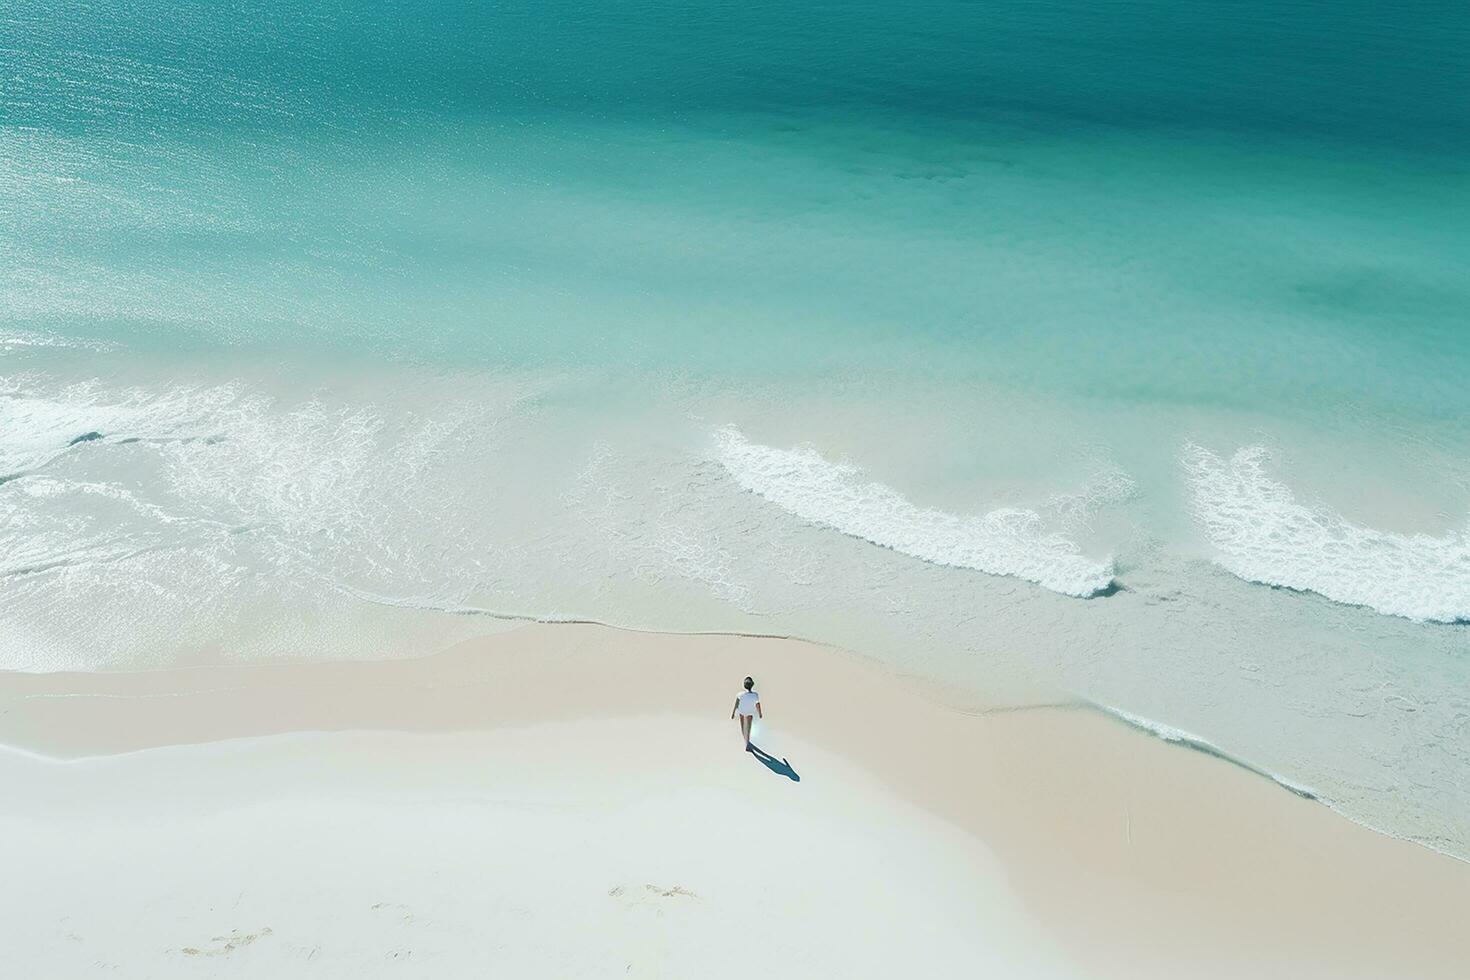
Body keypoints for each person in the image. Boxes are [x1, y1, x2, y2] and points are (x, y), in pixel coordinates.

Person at [730, 676, 762, 749]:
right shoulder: (755, 695)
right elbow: (758, 705)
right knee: (748, 727)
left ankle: (745, 738)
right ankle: (747, 741)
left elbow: (736, 704)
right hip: (750, 712)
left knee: (743, 725)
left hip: (742, 711)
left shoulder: (740, 694)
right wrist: (760, 713)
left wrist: (733, 713)